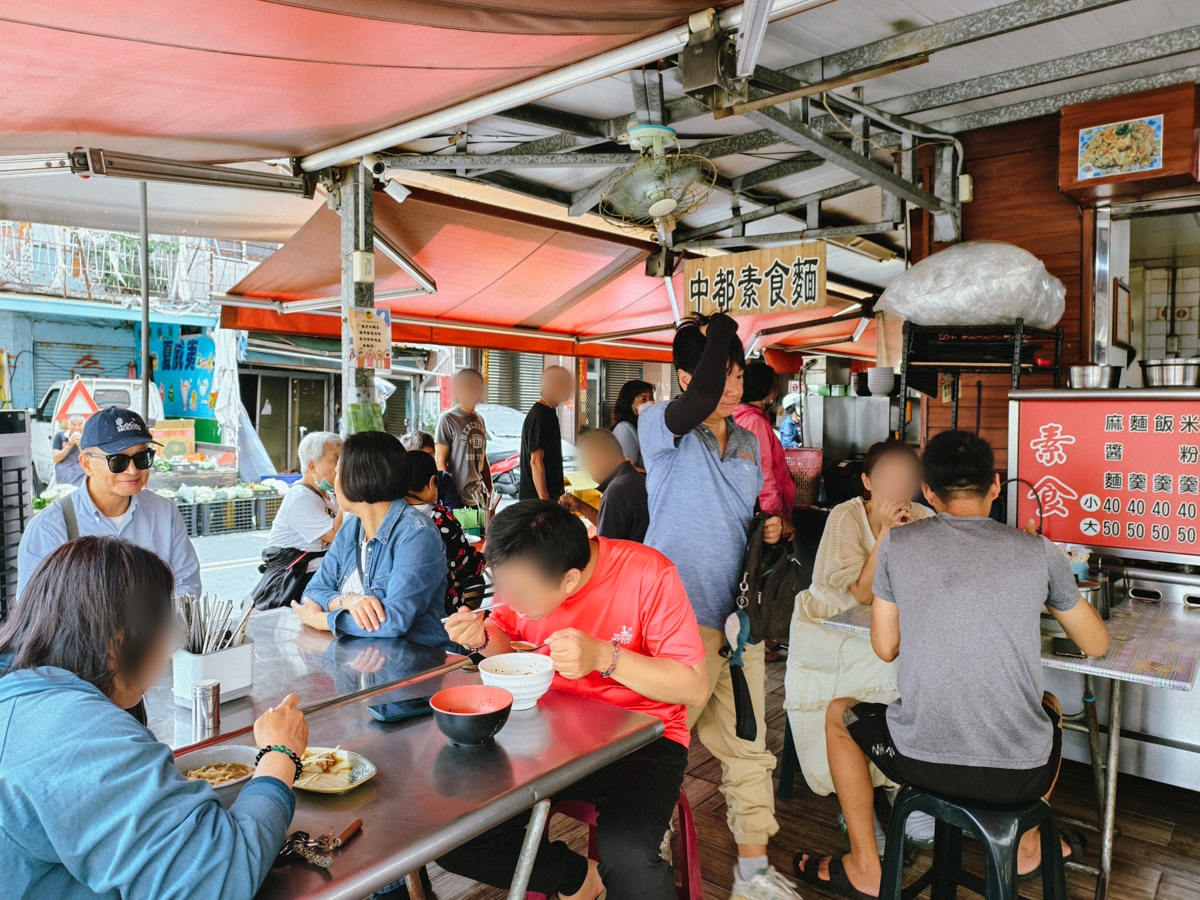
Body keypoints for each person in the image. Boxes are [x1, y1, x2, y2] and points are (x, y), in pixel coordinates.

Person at [794, 431, 1108, 900]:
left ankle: (866, 866)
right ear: (996, 485)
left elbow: (885, 647)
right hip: (1020, 772)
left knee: (839, 713)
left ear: (928, 492)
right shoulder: (1037, 550)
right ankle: (1025, 847)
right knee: (1050, 706)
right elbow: (1096, 644)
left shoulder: (899, 547)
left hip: (921, 762)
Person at [0, 536, 308, 900]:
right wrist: (280, 755)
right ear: (117, 644)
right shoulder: (76, 735)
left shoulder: (22, 693)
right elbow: (214, 880)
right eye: (166, 629)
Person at [440, 501, 708, 900]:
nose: (509, 600)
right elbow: (505, 642)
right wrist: (480, 639)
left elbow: (694, 686)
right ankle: (580, 878)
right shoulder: (524, 579)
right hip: (544, 732)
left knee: (630, 859)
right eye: (502, 584)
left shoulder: (648, 573)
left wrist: (605, 657)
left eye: (521, 592)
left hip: (640, 738)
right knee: (454, 837)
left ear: (569, 580)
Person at [639, 312, 798, 900]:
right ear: (687, 377)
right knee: (660, 749)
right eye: (721, 375)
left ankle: (752, 876)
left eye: (738, 376)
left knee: (749, 749)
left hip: (737, 620)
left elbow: (735, 519)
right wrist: (725, 326)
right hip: (675, 620)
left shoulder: (751, 441)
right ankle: (644, 862)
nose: (733, 387)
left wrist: (769, 529)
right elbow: (698, 399)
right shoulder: (662, 426)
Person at [784, 440, 935, 847]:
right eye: (889, 475)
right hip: (830, 626)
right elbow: (861, 594)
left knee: (927, 667)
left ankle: (905, 789)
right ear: (868, 481)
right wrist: (886, 532)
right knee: (889, 665)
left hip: (891, 627)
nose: (899, 483)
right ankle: (862, 803)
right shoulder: (845, 516)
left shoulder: (925, 516)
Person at [17, 406, 200, 600]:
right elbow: (34, 614)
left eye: (141, 457)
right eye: (118, 460)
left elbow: (186, 584)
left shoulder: (164, 513)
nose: (132, 470)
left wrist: (163, 626)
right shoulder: (48, 530)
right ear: (87, 464)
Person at [291, 431, 449, 648]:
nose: (334, 482)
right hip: (363, 660)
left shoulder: (417, 535)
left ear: (360, 476)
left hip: (417, 663)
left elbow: (393, 621)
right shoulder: (350, 530)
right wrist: (348, 601)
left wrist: (321, 619)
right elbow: (313, 593)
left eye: (338, 473)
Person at [249, 431, 343, 610]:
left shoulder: (330, 497)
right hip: (296, 581)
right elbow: (337, 536)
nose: (341, 467)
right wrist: (345, 492)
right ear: (312, 466)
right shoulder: (300, 497)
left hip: (320, 575)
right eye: (335, 460)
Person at [405, 449, 486, 615]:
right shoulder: (441, 518)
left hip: (405, 603)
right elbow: (465, 562)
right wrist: (484, 558)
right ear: (432, 482)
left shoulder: (393, 515)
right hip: (442, 607)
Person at [733, 362, 795, 529]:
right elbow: (763, 474)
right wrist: (776, 517)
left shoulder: (738, 417)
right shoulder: (755, 423)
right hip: (766, 518)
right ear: (769, 389)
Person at [560, 428, 649, 543]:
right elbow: (611, 525)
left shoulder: (616, 491)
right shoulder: (636, 479)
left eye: (586, 464)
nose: (589, 471)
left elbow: (606, 547)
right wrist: (581, 506)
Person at [435, 367, 492, 508]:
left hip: (479, 497)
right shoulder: (448, 419)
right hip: (457, 498)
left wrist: (490, 490)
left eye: (478, 387)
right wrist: (449, 494)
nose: (475, 391)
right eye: (469, 385)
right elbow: (440, 461)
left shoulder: (480, 420)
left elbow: (483, 458)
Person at [519, 365, 574, 501]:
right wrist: (545, 500)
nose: (570, 388)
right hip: (537, 504)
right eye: (566, 383)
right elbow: (536, 461)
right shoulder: (540, 415)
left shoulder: (549, 412)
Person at [401, 431, 461, 509]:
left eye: (429, 457)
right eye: (417, 459)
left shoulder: (444, 479)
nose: (425, 463)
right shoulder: (398, 482)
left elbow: (454, 510)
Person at [609, 379, 654, 469]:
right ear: (629, 404)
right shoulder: (625, 428)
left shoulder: (642, 427)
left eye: (651, 397)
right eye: (643, 399)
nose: (649, 403)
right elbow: (626, 468)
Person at [50, 415, 86, 488]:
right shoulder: (60, 436)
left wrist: (80, 445)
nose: (77, 428)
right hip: (63, 473)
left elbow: (89, 460)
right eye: (73, 424)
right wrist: (68, 446)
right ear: (68, 425)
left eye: (80, 425)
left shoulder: (87, 437)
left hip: (80, 473)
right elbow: (56, 459)